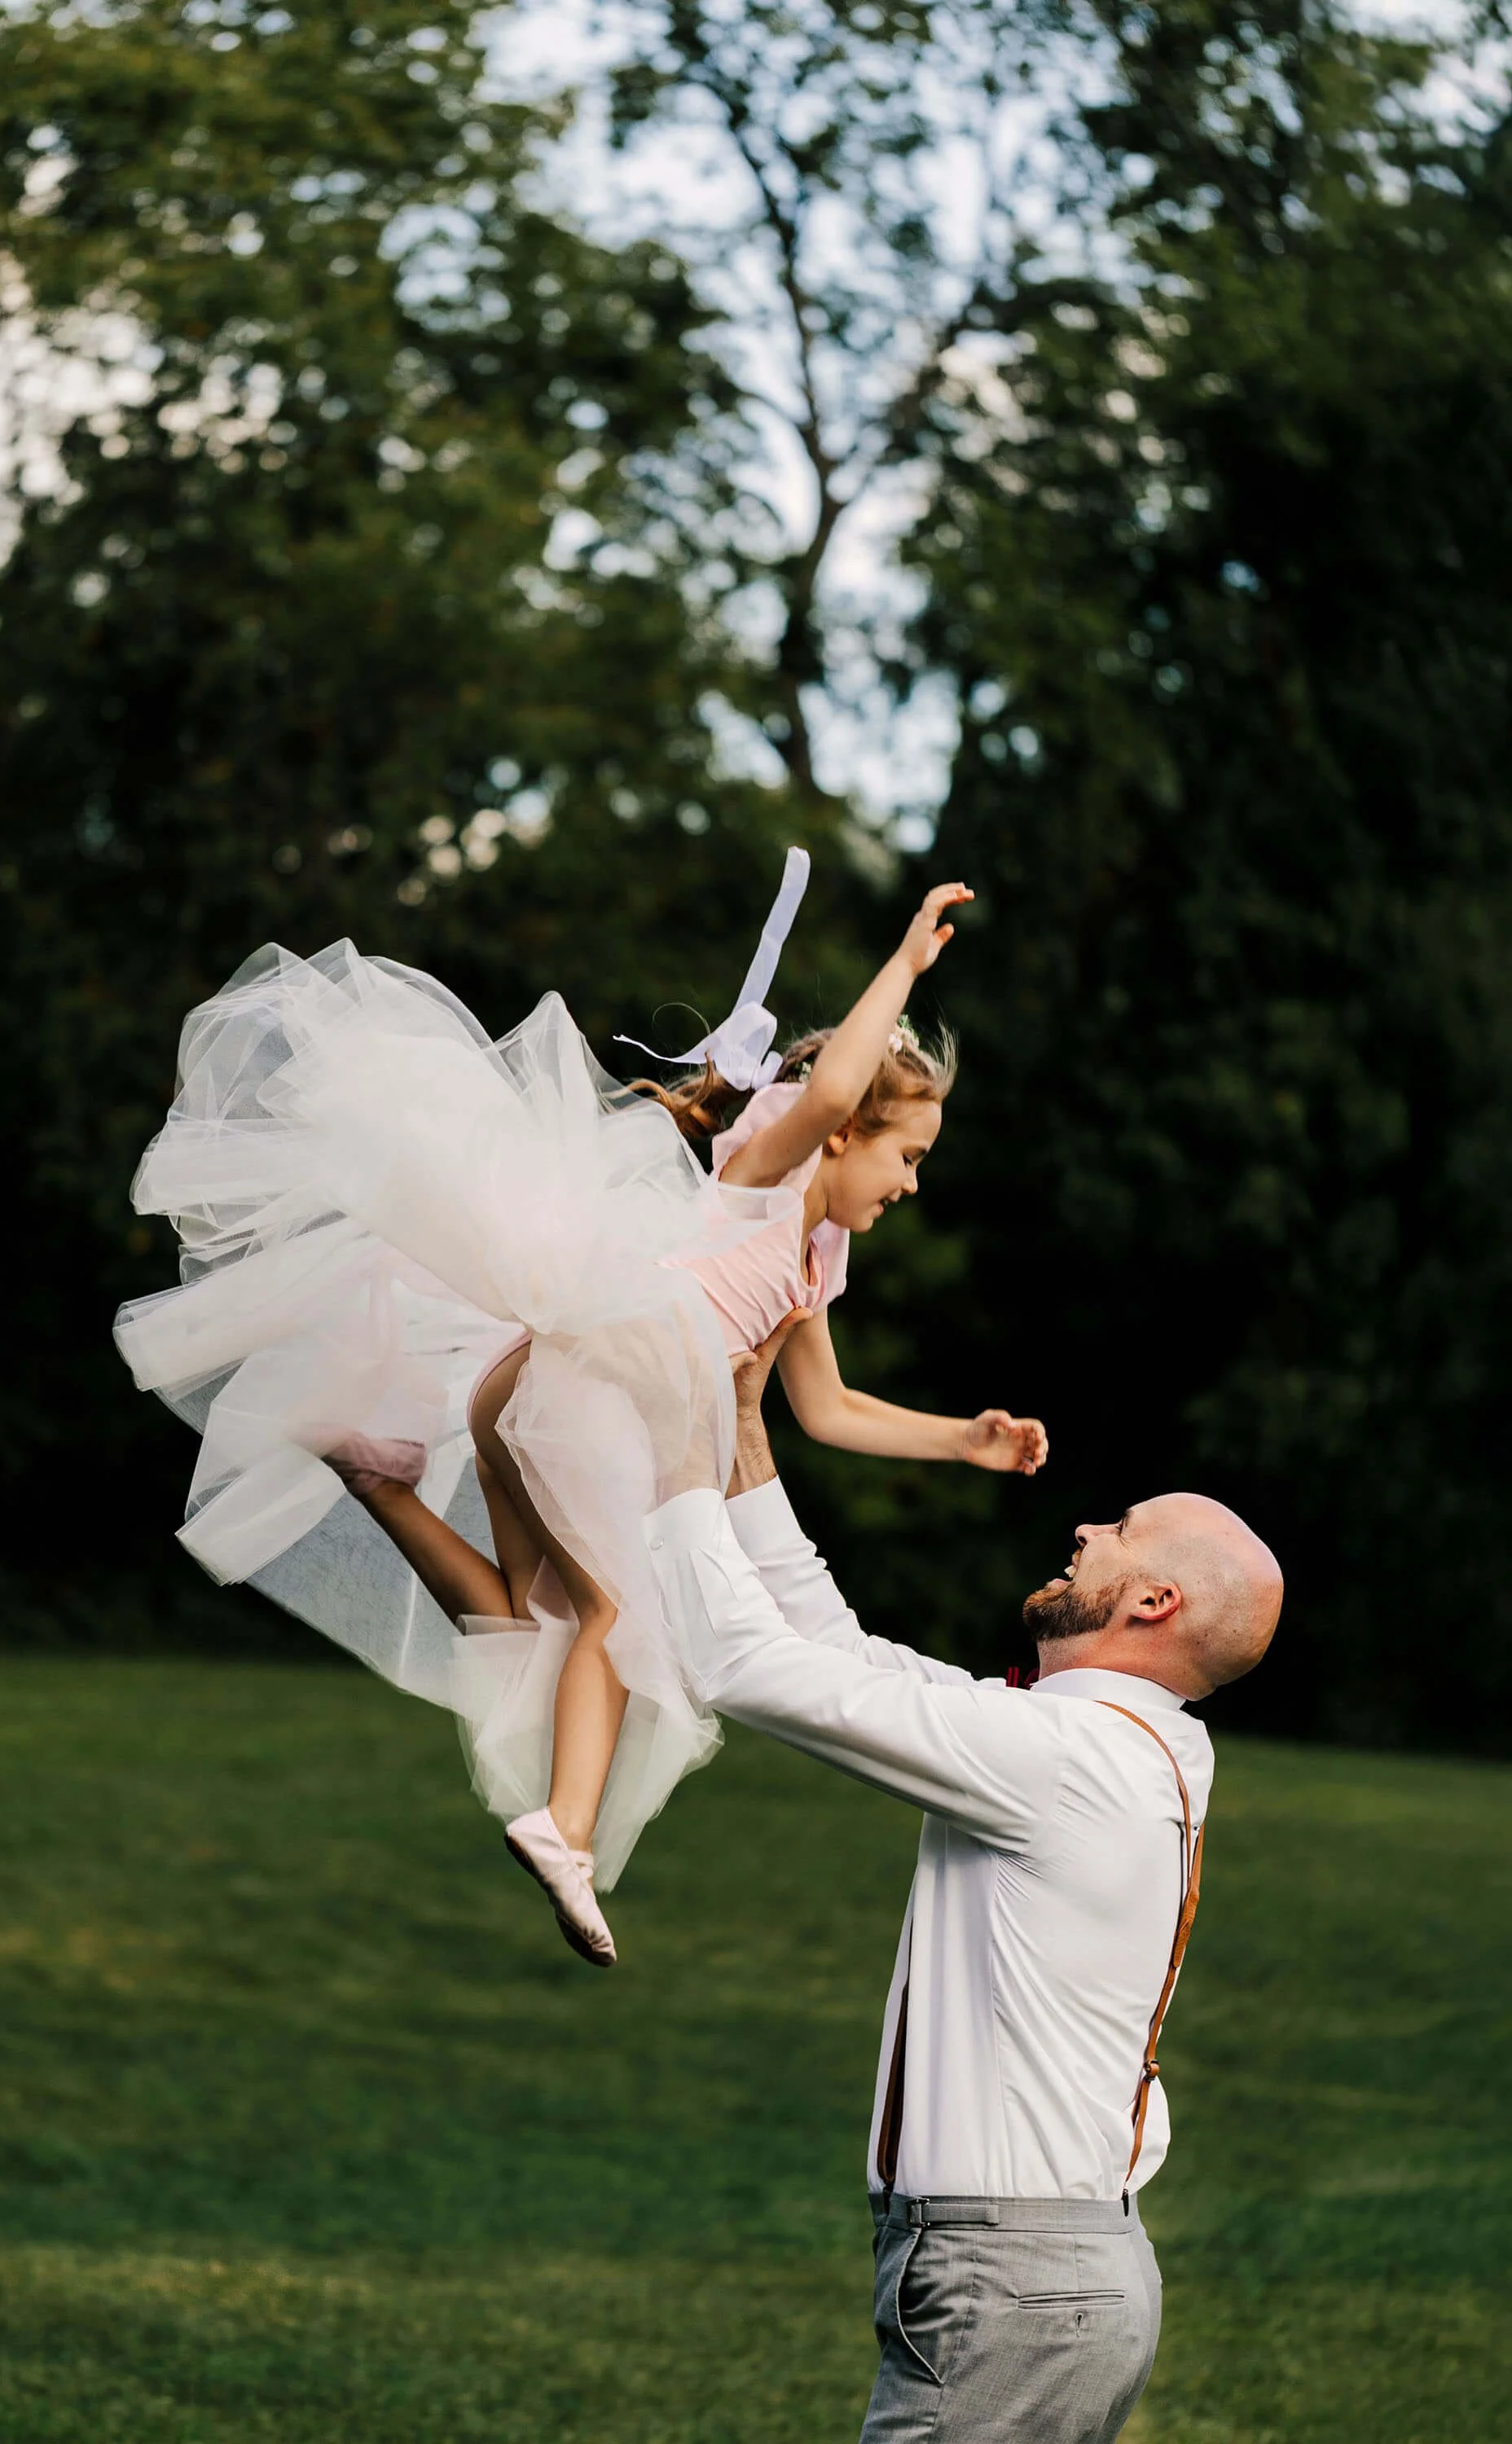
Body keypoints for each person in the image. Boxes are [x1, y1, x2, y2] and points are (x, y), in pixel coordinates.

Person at [115, 859, 1046, 1969]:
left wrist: (962, 1440)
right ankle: (565, 1829)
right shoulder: (764, 1183)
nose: (913, 1183)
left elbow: (827, 1408)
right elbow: (837, 1089)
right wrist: (903, 961)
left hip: (526, 1390)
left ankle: (380, 1485)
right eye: (910, 1156)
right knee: (622, 1619)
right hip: (597, 1383)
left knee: (533, 1623)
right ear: (842, 1135)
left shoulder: (813, 1260)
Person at [639, 1311, 1282, 2444]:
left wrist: (675, 1455)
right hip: (1038, 2281)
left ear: (1153, 1603)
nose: (1086, 1527)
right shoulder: (1117, 1744)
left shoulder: (1069, 1759)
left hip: (1015, 2285)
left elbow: (743, 1662)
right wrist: (737, 1423)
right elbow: (837, 1653)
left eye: (1121, 1530)